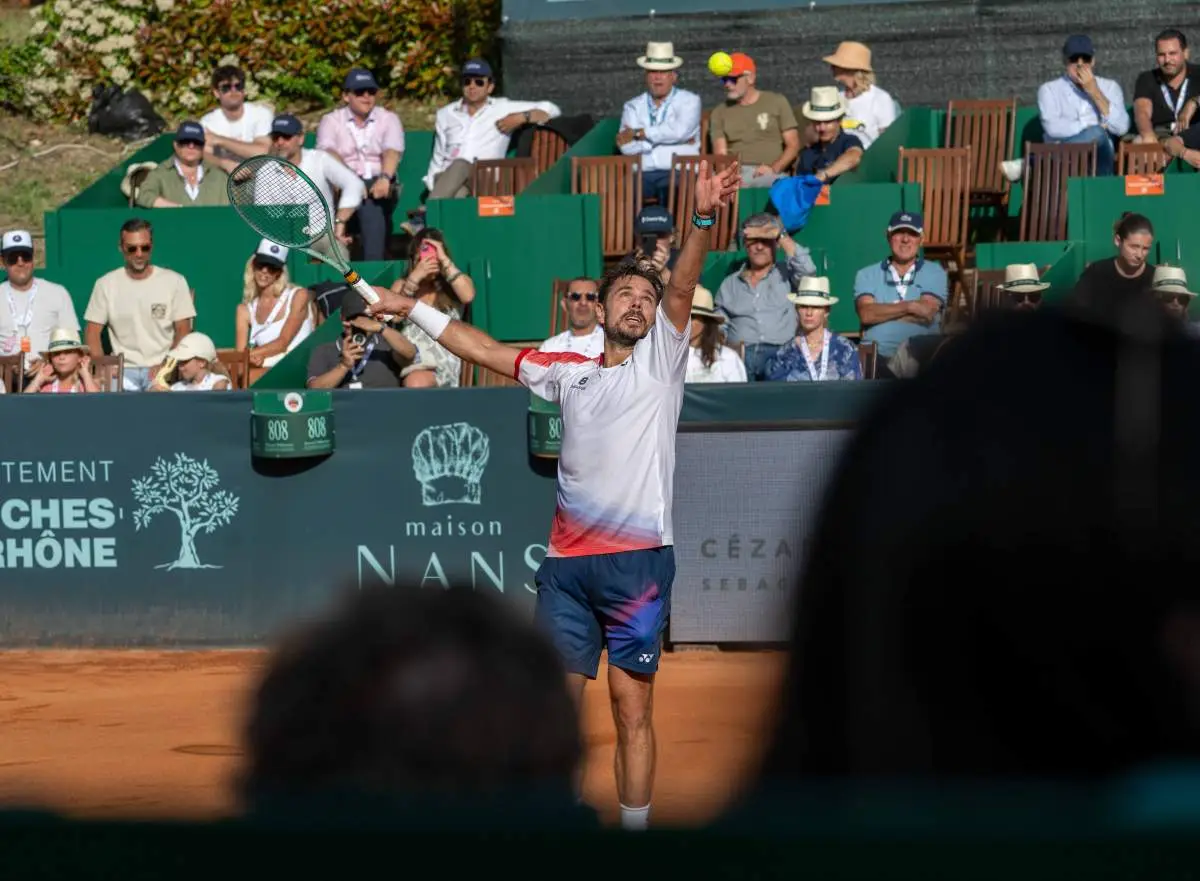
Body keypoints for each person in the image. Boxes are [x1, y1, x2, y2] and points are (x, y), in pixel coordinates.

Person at [366, 160, 741, 831]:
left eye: (645, 299)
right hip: (566, 569)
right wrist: (411, 306)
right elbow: (479, 348)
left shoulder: (662, 362)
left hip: (637, 565)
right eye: (622, 293)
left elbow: (682, 283)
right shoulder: (566, 369)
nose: (635, 302)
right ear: (599, 309)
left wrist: (703, 218)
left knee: (632, 711)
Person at [390, 229, 475, 388]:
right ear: (414, 259)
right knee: (416, 382)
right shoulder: (402, 285)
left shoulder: (451, 285)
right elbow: (394, 317)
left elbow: (468, 295)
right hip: (416, 360)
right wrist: (414, 280)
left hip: (447, 359)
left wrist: (444, 261)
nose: (429, 262)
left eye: (433, 256)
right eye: (422, 256)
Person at [235, 239, 314, 369]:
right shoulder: (244, 310)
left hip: (297, 368)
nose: (265, 271)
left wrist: (249, 356)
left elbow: (282, 343)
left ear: (279, 272)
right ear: (253, 266)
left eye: (272, 267)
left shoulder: (298, 295)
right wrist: (250, 360)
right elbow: (239, 358)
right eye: (261, 264)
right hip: (265, 368)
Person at [765, 277, 862, 382]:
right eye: (803, 306)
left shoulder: (845, 350)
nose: (809, 313)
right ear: (796, 309)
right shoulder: (784, 353)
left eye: (815, 307)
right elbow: (776, 392)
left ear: (826, 311)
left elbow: (853, 391)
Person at [1072, 212, 1156, 307]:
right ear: (1118, 241)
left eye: (1145, 248)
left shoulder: (1155, 279)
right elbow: (1074, 314)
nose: (1140, 255)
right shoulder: (1096, 274)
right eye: (1134, 247)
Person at [686, 285, 747, 384]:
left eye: (692, 317)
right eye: (680, 317)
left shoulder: (727, 358)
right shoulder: (667, 358)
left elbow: (739, 395)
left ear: (706, 321)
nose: (685, 322)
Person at [22, 328, 100, 394]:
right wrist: (38, 380)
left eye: (68, 352)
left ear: (80, 357)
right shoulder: (47, 386)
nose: (61, 357)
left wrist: (85, 374)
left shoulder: (85, 384)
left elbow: (98, 403)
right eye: (56, 353)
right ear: (50, 359)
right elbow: (22, 404)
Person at [150, 332, 230, 392]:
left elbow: (217, 397)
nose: (180, 367)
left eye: (185, 361)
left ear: (201, 362)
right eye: (179, 362)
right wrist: (155, 389)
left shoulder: (218, 381)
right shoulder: (178, 387)